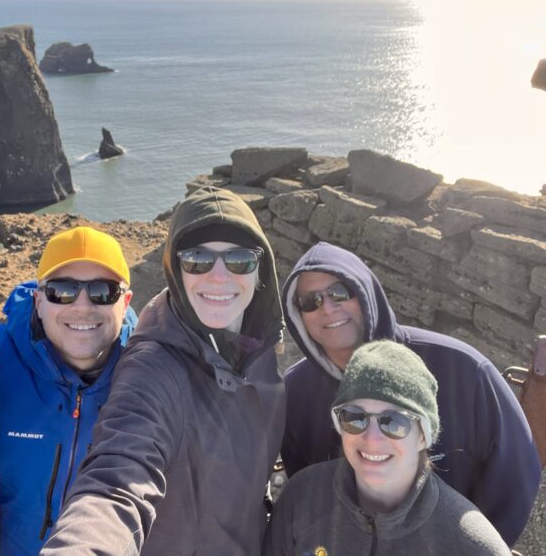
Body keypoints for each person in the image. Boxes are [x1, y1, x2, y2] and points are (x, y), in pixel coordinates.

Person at [41, 186, 286, 555]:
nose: (219, 276)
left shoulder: (261, 351)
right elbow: (117, 480)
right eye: (198, 260)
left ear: (260, 270)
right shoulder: (154, 366)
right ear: (175, 269)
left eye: (239, 260)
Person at [280, 241, 541, 546]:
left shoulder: (463, 369)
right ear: (297, 315)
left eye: (340, 291)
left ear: (365, 292)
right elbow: (306, 494)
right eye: (310, 301)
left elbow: (516, 472)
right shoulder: (295, 391)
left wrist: (469, 546)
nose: (327, 307)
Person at [264, 340, 511, 555]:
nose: (372, 438)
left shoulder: (471, 544)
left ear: (423, 437)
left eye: (394, 422)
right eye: (355, 417)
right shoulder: (303, 497)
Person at [0, 226, 136, 555]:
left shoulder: (149, 376)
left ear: (126, 302)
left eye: (103, 291)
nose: (82, 306)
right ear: (38, 301)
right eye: (61, 291)